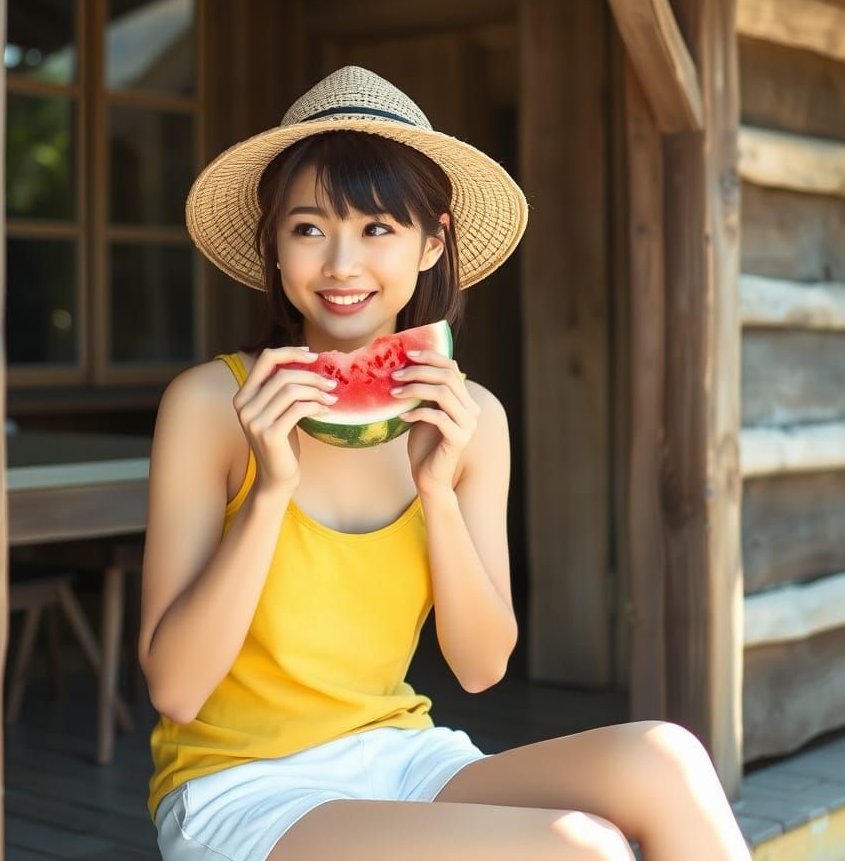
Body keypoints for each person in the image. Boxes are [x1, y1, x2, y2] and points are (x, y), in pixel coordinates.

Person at [138, 65, 752, 861]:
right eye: (308, 228)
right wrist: (269, 492)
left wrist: (439, 491)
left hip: (399, 755)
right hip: (241, 785)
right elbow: (176, 690)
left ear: (434, 241)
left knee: (665, 759)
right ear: (274, 246)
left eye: (378, 228)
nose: (341, 265)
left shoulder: (471, 421)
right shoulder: (208, 406)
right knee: (580, 850)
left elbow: (481, 664)